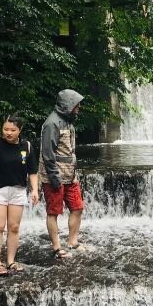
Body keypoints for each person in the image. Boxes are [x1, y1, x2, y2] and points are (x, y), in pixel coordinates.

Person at [0, 115, 39, 276]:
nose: (8, 133)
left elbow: (33, 172)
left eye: (13, 130)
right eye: (5, 129)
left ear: (20, 130)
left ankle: (11, 261)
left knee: (14, 227)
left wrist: (34, 190)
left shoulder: (26, 146)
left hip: (18, 190)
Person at [39, 89, 86, 259]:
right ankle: (56, 247)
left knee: (78, 207)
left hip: (70, 175)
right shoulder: (52, 123)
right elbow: (47, 154)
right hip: (54, 177)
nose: (79, 107)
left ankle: (72, 241)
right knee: (54, 211)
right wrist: (53, 177)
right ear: (68, 105)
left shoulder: (68, 121)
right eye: (76, 104)